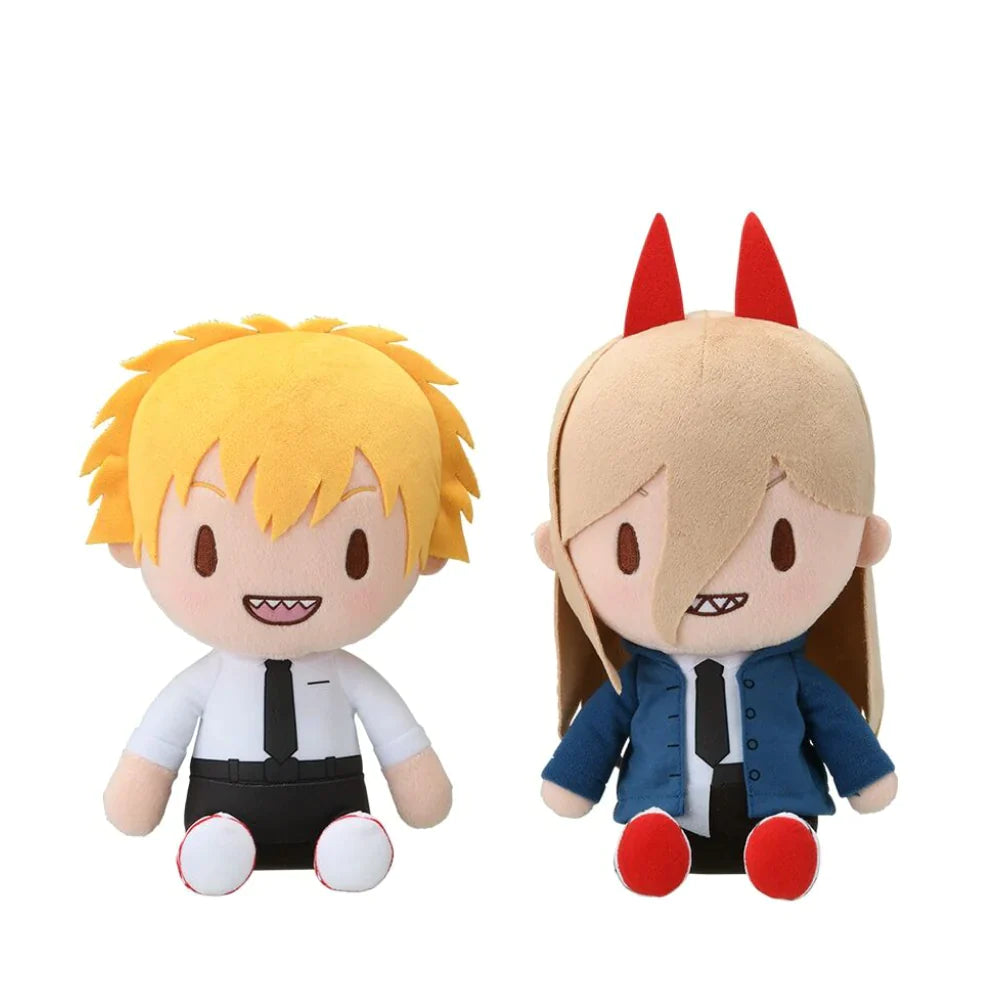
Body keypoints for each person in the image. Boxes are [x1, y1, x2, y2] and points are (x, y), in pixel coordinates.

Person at [536, 215, 897, 900]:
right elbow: (598, 734)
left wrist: (867, 777)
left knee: (782, 833)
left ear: (863, 541)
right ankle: (656, 841)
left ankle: (782, 840)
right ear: (562, 549)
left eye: (779, 544)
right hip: (663, 817)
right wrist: (571, 782)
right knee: (654, 831)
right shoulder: (635, 678)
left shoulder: (796, 673)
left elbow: (837, 727)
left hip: (776, 812)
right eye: (634, 546)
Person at [84, 315, 477, 895]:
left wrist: (419, 792)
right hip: (224, 800)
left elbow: (400, 741)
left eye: (355, 551)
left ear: (429, 549)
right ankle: (223, 846)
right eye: (208, 550)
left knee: (345, 838)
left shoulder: (347, 677)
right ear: (130, 537)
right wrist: (136, 794)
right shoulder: (208, 681)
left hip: (332, 800)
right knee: (222, 839)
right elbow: (159, 741)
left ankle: (343, 842)